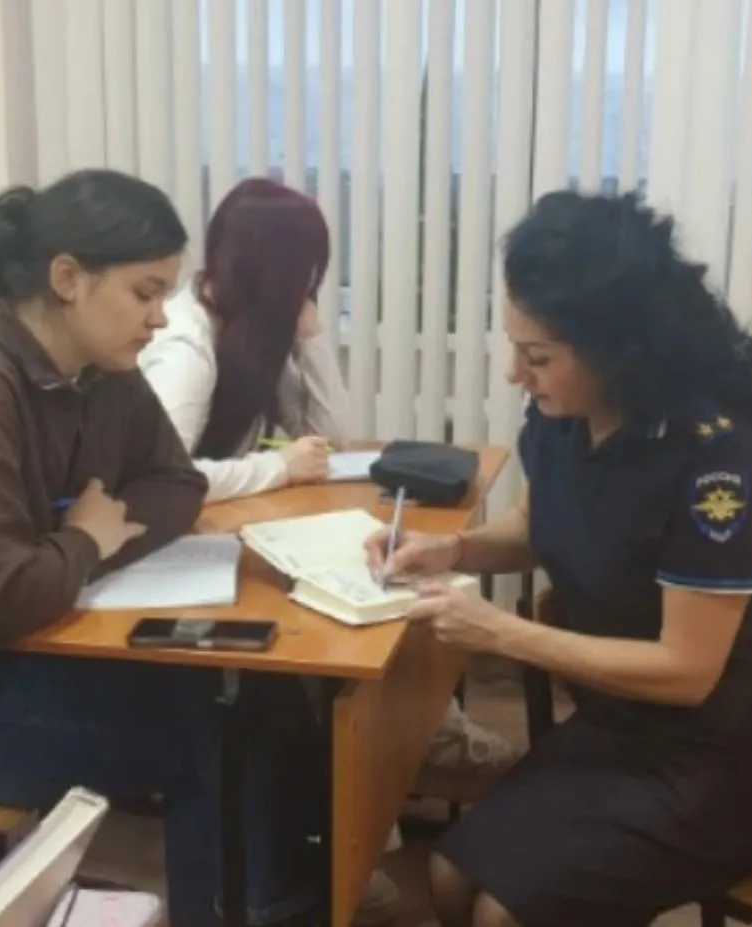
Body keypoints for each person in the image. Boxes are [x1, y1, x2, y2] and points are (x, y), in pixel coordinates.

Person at [0, 169, 320, 927]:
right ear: (67, 279)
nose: (161, 318)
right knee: (208, 742)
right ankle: (251, 907)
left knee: (250, 693)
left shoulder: (101, 373)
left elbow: (176, 483)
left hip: (30, 652)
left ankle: (279, 897)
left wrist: (73, 549)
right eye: (145, 292)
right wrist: (83, 541)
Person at [365, 191, 752, 927]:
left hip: (720, 762)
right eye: (515, 347)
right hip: (617, 727)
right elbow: (540, 522)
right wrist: (450, 548)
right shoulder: (563, 418)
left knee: (502, 913)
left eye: (537, 356)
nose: (516, 373)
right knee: (448, 879)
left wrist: (501, 633)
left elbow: (686, 670)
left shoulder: (712, 462)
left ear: (615, 348)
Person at [138, 176, 517, 923]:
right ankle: (349, 825)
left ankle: (393, 776)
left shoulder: (251, 327)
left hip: (229, 534)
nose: (313, 285)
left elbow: (336, 437)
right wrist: (277, 468)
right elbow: (164, 477)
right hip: (175, 557)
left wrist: (310, 339)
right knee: (327, 646)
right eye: (308, 271)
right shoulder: (186, 344)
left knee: (373, 590)